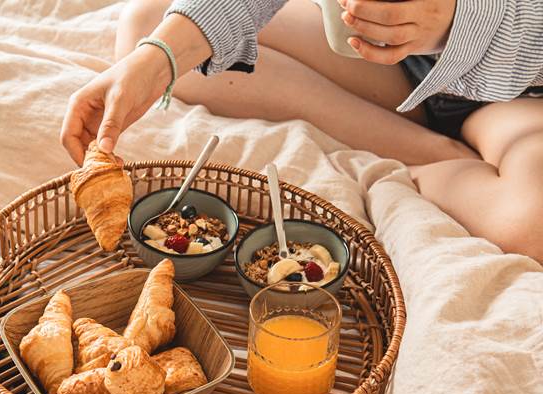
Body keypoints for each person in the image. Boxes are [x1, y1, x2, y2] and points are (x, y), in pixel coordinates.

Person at [60, 0, 543, 262]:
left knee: (530, 226)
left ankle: (456, 149)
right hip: (394, 64)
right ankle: (432, 152)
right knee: (149, 26)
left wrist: (460, 18)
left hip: (522, 93)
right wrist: (160, 57)